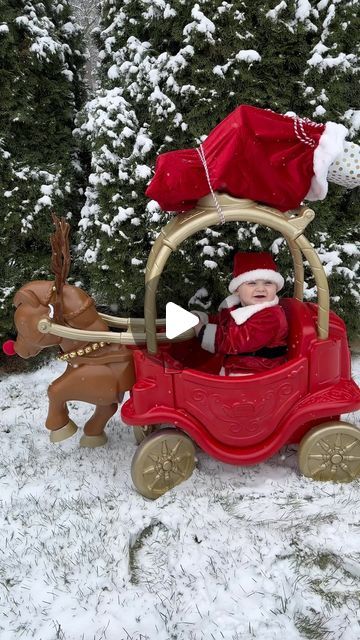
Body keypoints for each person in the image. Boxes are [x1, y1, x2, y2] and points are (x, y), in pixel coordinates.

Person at [146, 104, 359, 214]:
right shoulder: (216, 161)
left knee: (324, 158)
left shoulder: (217, 164)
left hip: (277, 145)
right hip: (268, 144)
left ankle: (332, 158)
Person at [194, 252, 288, 376]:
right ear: (237, 289)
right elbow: (224, 323)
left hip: (257, 373)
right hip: (238, 366)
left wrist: (202, 331)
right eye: (252, 283)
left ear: (276, 288)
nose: (261, 289)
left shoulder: (270, 316)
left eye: (268, 283)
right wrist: (204, 319)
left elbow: (236, 340)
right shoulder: (239, 308)